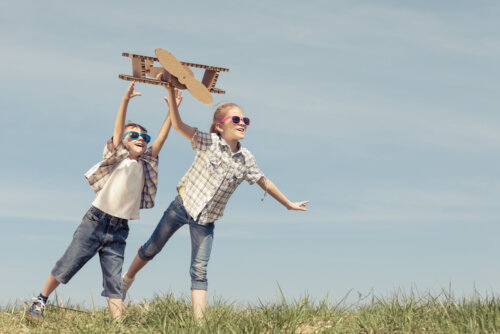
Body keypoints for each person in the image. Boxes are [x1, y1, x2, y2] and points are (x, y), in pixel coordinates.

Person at [121, 86, 308, 319]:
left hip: (206, 220)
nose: (243, 123)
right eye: (237, 119)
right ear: (220, 126)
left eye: (245, 119)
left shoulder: (246, 158)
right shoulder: (208, 141)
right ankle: (126, 281)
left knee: (199, 270)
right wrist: (171, 96)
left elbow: (264, 182)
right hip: (182, 206)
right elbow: (179, 127)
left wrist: (288, 204)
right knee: (152, 248)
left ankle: (199, 325)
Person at [26, 81, 182, 321]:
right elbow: (118, 131)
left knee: (114, 278)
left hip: (120, 229)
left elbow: (161, 138)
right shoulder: (116, 156)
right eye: (134, 135)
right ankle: (40, 300)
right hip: (95, 221)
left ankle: (117, 324)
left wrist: (172, 109)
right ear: (123, 141)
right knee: (69, 263)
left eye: (144, 136)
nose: (140, 138)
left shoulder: (146, 163)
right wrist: (125, 101)